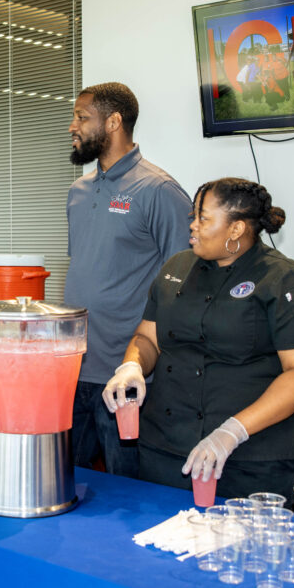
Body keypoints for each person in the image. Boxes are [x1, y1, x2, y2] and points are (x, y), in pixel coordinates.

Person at [103, 178, 294, 503]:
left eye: (203, 218)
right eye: (194, 215)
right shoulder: (176, 268)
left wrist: (231, 431)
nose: (192, 226)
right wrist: (131, 365)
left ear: (236, 229)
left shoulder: (284, 279)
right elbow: (147, 337)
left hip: (251, 456)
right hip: (166, 448)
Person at [64, 82, 191, 477]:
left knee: (129, 492)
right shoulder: (78, 190)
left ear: (114, 122)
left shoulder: (159, 190)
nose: (73, 126)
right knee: (66, 482)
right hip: (71, 370)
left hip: (127, 375)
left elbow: (182, 282)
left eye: (82, 117)